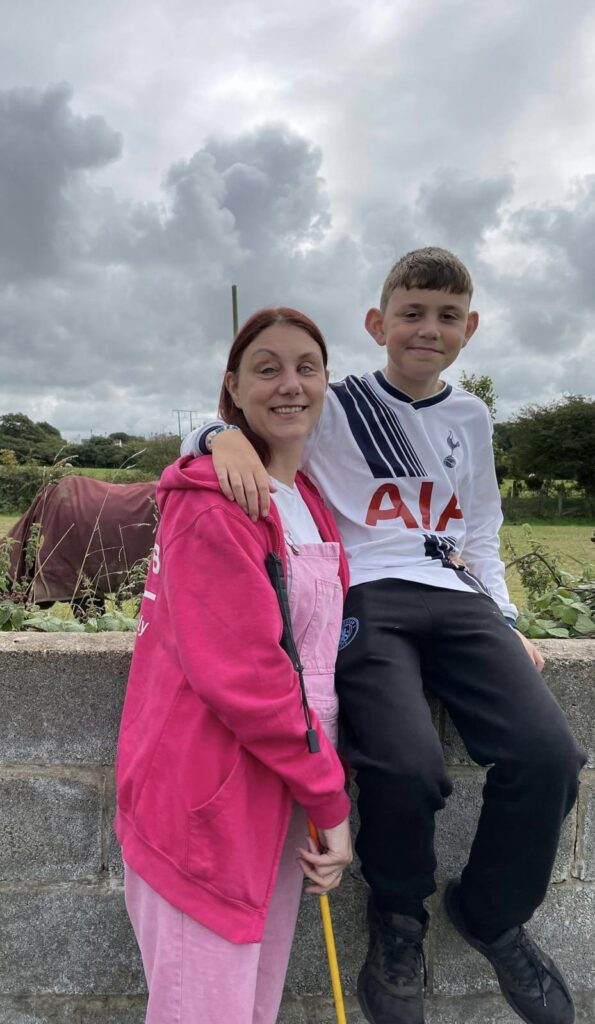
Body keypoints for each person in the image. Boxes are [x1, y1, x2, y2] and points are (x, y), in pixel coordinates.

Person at [181, 248, 585, 1024]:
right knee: (404, 766)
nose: (425, 329)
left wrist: (503, 618)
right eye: (410, 313)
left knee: (549, 756)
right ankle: (398, 915)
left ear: (468, 329)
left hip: (456, 600)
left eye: (444, 316)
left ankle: (490, 912)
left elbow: (481, 527)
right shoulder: (341, 400)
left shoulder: (470, 416)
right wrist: (214, 438)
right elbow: (263, 406)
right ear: (378, 323)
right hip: (368, 595)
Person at [115, 307, 353, 1024]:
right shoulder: (211, 503)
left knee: (249, 1007)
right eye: (267, 368)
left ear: (325, 383)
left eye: (306, 366)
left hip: (280, 791)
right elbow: (245, 677)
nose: (290, 383)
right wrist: (330, 797)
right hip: (208, 799)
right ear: (233, 388)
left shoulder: (309, 497)